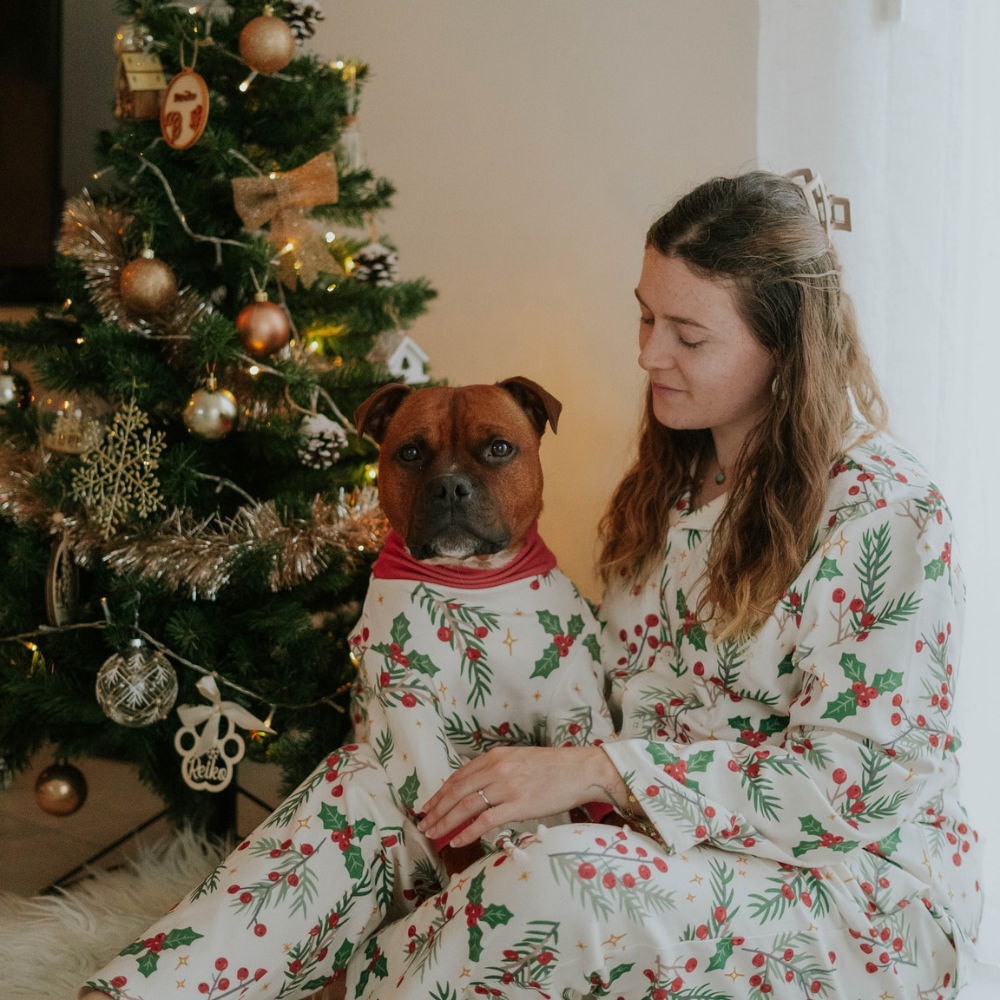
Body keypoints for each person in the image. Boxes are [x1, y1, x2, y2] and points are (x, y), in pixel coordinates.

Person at [83, 170, 982, 1000]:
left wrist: (599, 772)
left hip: (834, 893)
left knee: (554, 883)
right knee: (367, 785)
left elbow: (859, 783)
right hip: (636, 834)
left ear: (785, 346)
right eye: (645, 319)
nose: (649, 355)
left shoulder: (885, 511)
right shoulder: (670, 485)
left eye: (689, 335)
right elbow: (600, 682)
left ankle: (366, 978)